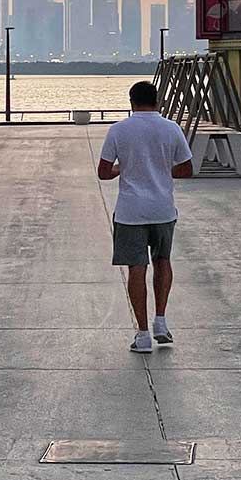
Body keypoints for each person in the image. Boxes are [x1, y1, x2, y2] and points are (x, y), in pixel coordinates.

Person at [98, 80, 193, 353]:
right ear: (157, 101)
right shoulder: (171, 128)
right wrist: (162, 172)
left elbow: (104, 172)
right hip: (163, 209)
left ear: (131, 102)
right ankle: (161, 323)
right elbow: (186, 169)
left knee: (136, 270)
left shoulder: (119, 130)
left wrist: (122, 170)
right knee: (163, 261)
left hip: (131, 212)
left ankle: (142, 335)